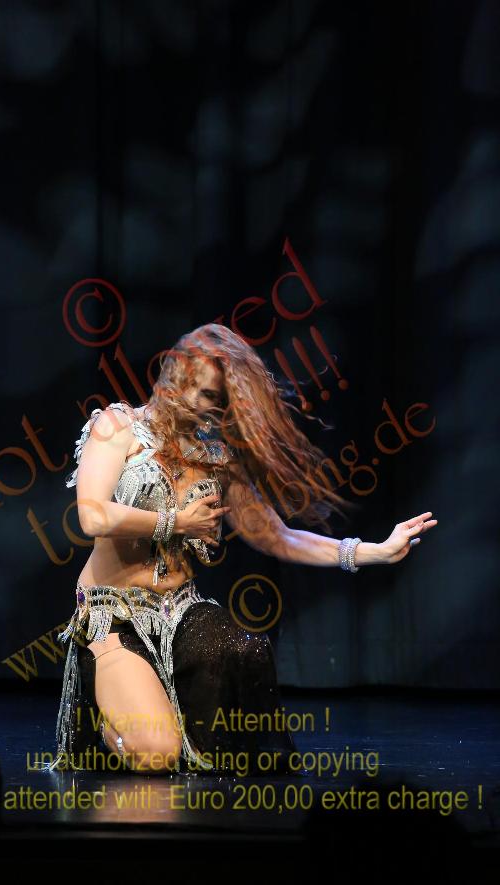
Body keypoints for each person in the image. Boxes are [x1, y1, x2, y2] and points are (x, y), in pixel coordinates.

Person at [38, 323, 437, 777]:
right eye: (193, 385)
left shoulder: (215, 455)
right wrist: (177, 522)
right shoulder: (117, 426)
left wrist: (371, 552)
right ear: (171, 372)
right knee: (156, 755)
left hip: (179, 610)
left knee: (246, 652)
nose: (197, 401)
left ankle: (166, 711)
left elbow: (277, 536)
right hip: (114, 612)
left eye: (212, 396)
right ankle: (103, 729)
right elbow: (92, 516)